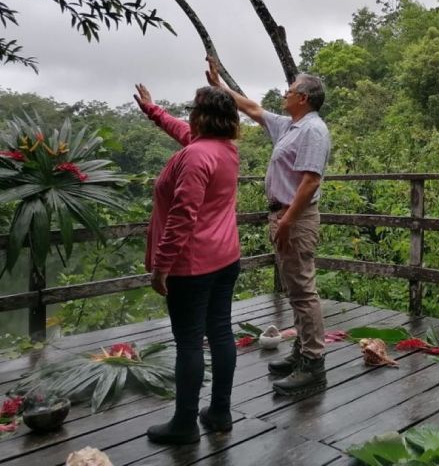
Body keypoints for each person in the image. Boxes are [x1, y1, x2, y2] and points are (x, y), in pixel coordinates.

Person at [205, 59, 331, 397]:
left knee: (303, 290)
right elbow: (253, 109)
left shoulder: (313, 131)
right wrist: (221, 87)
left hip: (296, 218)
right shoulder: (291, 126)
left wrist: (287, 222)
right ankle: (303, 351)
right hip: (285, 216)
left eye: (289, 91)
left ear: (303, 97)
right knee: (295, 289)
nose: (284, 95)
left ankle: (314, 363)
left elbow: (310, 181)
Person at [134, 84, 241, 445]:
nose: (189, 116)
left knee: (190, 344)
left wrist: (161, 267)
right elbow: (186, 134)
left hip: (192, 267)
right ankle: (220, 412)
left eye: (193, 110)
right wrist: (153, 111)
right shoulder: (225, 149)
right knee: (221, 333)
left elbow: (183, 216)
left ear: (201, 116)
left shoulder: (195, 157)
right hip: (226, 259)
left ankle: (184, 423)